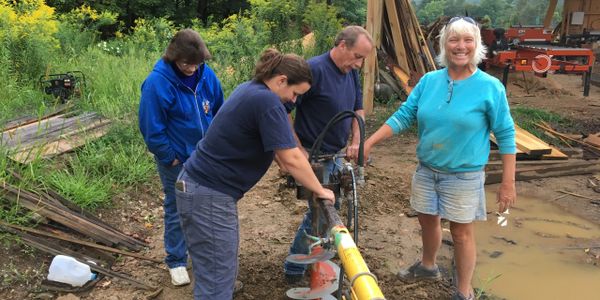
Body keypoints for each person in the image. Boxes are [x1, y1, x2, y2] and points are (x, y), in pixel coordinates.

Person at [360, 17, 516, 300]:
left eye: (468, 40)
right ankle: (428, 266)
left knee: (461, 234)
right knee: (428, 221)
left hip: (464, 175)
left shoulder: (490, 87)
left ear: (477, 45)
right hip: (427, 170)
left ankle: (464, 291)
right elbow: (405, 115)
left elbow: (505, 134)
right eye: (454, 40)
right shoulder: (430, 81)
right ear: (444, 45)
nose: (460, 46)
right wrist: (369, 142)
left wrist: (508, 182)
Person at [175, 48, 335, 300]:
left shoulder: (250, 90)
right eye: (294, 93)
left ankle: (219, 285)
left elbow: (280, 153)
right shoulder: (267, 101)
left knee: (216, 266)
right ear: (281, 80)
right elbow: (289, 158)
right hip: (208, 194)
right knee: (217, 280)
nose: (293, 101)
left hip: (200, 189)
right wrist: (319, 189)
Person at [283, 25, 373, 283]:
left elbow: (358, 110)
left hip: (336, 154)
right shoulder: (314, 70)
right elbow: (285, 108)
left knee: (327, 213)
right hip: (314, 155)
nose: (358, 64)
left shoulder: (350, 73)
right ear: (342, 45)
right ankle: (295, 268)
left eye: (363, 59)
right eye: (357, 56)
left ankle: (314, 260)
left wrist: (357, 141)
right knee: (320, 214)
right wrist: (297, 148)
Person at [138, 28, 224, 286]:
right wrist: (170, 156)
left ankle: (205, 256)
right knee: (177, 208)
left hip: (206, 156)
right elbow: (151, 127)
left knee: (208, 204)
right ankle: (176, 260)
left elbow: (219, 110)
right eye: (187, 63)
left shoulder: (206, 74)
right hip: (177, 159)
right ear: (174, 57)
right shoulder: (157, 83)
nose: (191, 68)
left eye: (196, 63)